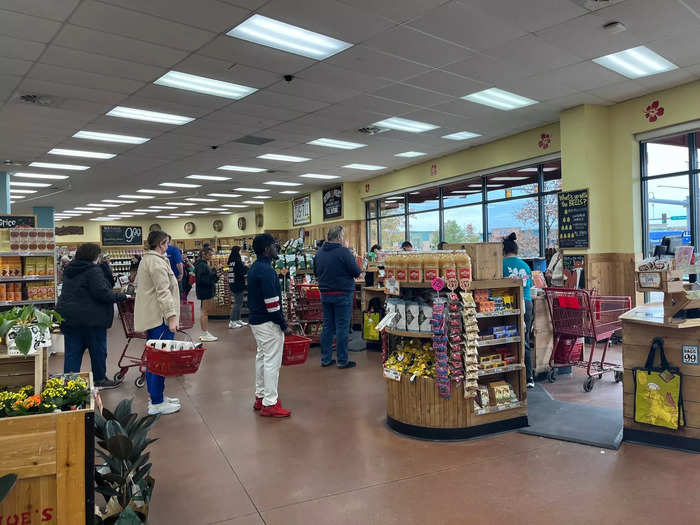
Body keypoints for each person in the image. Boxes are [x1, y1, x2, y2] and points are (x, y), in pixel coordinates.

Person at [57, 243, 127, 390]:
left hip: (70, 318)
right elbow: (102, 293)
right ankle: (100, 379)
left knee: (72, 353)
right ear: (95, 256)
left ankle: (69, 384)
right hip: (91, 319)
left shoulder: (70, 269)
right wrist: (121, 296)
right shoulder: (93, 270)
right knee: (98, 351)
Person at [134, 230, 181, 415]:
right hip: (159, 318)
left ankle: (158, 396)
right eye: (167, 243)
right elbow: (163, 292)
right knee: (159, 359)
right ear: (161, 243)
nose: (168, 246)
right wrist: (171, 317)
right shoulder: (156, 263)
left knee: (156, 357)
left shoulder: (151, 260)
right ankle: (156, 402)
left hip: (155, 317)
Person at [248, 233, 291, 417]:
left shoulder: (255, 268)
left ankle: (261, 396)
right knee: (272, 362)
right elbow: (272, 303)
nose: (277, 248)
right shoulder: (267, 271)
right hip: (268, 322)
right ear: (267, 249)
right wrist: (283, 324)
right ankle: (270, 403)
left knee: (262, 358)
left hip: (256, 322)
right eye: (274, 245)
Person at [314, 225, 362, 369]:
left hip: (325, 294)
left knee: (327, 326)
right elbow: (356, 271)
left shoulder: (319, 253)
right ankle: (342, 360)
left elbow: (316, 272)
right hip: (342, 294)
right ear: (340, 237)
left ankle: (326, 359)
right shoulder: (343, 252)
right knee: (342, 327)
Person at [502, 232, 535, 389]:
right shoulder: (525, 265)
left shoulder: (500, 265)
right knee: (525, 339)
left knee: (508, 339)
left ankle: (509, 375)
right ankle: (529, 377)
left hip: (508, 304)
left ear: (503, 250)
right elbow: (530, 285)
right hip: (527, 303)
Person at [195, 247, 219, 342]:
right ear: (204, 254)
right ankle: (205, 333)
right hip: (205, 291)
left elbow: (206, 277)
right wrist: (214, 274)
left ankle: (205, 332)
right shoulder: (202, 265)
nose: (211, 256)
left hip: (205, 290)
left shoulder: (203, 264)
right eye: (210, 254)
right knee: (205, 312)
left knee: (205, 312)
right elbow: (202, 280)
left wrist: (214, 274)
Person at [228, 246, 248, 329]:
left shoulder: (231, 261)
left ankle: (237, 319)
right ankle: (232, 321)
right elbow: (242, 272)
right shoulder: (238, 261)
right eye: (240, 251)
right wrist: (246, 266)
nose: (240, 252)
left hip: (232, 283)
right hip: (238, 283)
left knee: (238, 302)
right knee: (238, 303)